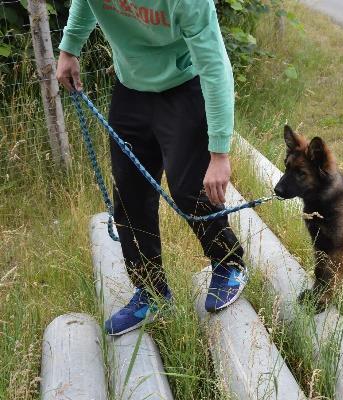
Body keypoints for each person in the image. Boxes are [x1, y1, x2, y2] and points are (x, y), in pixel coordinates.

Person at [57, 0, 247, 336]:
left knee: (190, 191)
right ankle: (151, 293)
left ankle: (228, 263)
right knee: (130, 197)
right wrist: (69, 49)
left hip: (183, 87)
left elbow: (215, 65)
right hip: (131, 88)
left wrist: (219, 152)